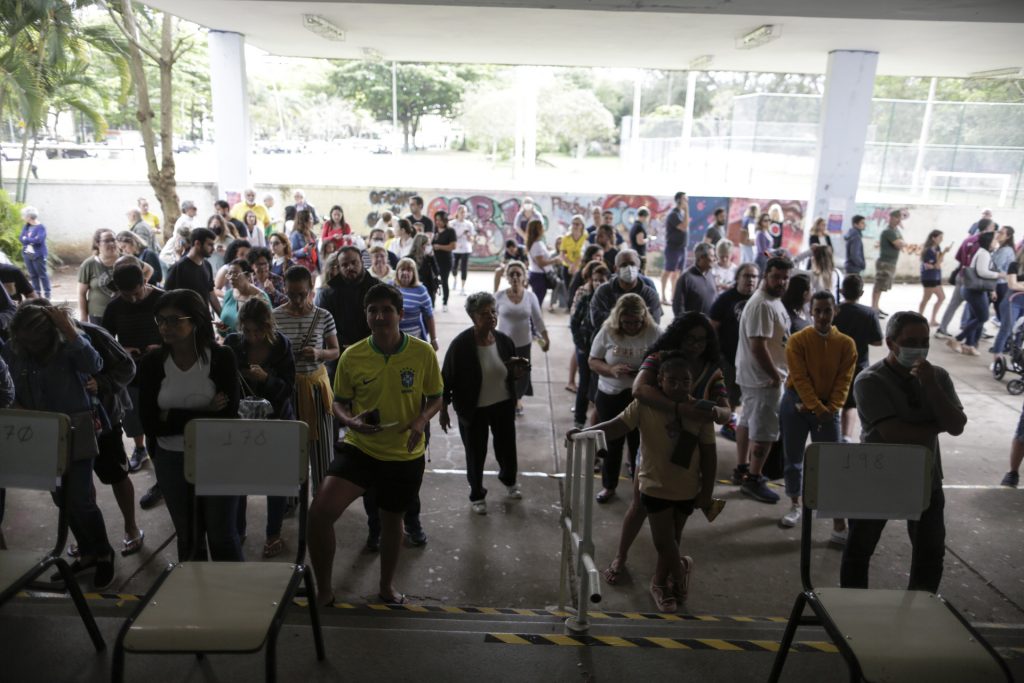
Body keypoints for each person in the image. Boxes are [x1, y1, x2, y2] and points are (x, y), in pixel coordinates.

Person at [309, 283, 443, 605]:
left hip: (404, 454)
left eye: (386, 310)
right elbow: (339, 402)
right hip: (361, 448)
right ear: (365, 315)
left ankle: (386, 587)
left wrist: (421, 420)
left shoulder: (422, 352)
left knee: (392, 521)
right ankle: (324, 590)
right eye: (373, 310)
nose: (380, 316)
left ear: (401, 314)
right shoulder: (353, 355)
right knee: (319, 515)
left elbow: (436, 396)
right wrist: (351, 421)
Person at [573, 351, 718, 613]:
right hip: (654, 485)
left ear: (692, 382)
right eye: (672, 381)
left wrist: (706, 492)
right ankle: (680, 571)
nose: (679, 386)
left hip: (686, 489)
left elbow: (709, 455)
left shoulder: (700, 412)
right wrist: (585, 433)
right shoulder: (645, 406)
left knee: (672, 540)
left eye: (685, 381)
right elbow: (616, 426)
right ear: (659, 380)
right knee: (663, 541)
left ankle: (661, 584)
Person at [842, 311, 966, 593]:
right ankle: (853, 607)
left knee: (930, 554)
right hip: (877, 479)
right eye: (910, 342)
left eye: (925, 342)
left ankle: (920, 607)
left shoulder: (938, 376)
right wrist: (938, 425)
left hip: (924, 479)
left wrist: (931, 385)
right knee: (859, 551)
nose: (919, 349)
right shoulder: (870, 380)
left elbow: (957, 426)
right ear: (891, 343)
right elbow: (894, 433)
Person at [3, 303, 116, 588]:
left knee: (80, 499)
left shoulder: (70, 345)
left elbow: (94, 365)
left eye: (36, 341)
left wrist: (68, 329)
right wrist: (17, 408)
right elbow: (7, 385)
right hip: (38, 433)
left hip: (74, 429)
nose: (31, 347)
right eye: (25, 341)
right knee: (60, 499)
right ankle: (87, 553)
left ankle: (104, 553)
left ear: (51, 334)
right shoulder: (15, 350)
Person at [138, 289, 242, 561]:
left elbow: (226, 417)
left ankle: (233, 588)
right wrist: (204, 411)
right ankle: (194, 587)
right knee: (188, 536)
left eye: (174, 320)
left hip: (218, 455)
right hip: (170, 459)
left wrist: (170, 416)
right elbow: (150, 423)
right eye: (161, 320)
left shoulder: (221, 357)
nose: (165, 327)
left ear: (196, 320)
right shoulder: (152, 363)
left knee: (222, 536)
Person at [223, 298, 297, 558]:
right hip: (241, 423)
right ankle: (239, 529)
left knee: (276, 480)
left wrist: (266, 379)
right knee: (239, 478)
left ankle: (273, 533)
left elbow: (288, 389)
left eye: (258, 331)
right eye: (247, 330)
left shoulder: (281, 345)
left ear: (268, 326)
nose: (253, 337)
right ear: (240, 326)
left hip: (277, 421)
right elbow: (220, 380)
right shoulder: (232, 344)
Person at [440, 291, 526, 514]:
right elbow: (446, 378)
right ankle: (477, 494)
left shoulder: (504, 341)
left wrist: (516, 374)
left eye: (493, 312)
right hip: (473, 409)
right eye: (484, 313)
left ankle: (509, 481)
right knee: (475, 453)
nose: (491, 317)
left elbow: (510, 373)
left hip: (502, 404)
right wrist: (443, 410)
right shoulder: (460, 345)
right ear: (472, 316)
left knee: (507, 448)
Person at [779, 291, 856, 532]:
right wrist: (817, 408)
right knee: (793, 458)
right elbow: (800, 379)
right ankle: (795, 504)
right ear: (810, 312)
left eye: (827, 310)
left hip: (828, 407)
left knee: (831, 462)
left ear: (836, 311)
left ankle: (836, 517)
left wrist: (831, 409)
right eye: (818, 311)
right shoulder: (797, 341)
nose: (822, 316)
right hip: (796, 403)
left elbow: (844, 380)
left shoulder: (846, 344)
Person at [273, 266, 340, 493]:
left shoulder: (324, 316)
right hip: (287, 390)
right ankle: (291, 499)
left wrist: (319, 353)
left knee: (321, 447)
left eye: (302, 294)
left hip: (316, 389)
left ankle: (321, 497)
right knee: (289, 447)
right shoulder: (275, 316)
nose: (297, 300)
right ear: (284, 289)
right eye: (291, 294)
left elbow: (335, 351)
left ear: (311, 288)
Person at [590, 293, 662, 502]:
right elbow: (593, 360)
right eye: (627, 322)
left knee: (640, 442)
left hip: (641, 395)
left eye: (636, 322)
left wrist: (645, 372)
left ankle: (639, 488)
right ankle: (609, 486)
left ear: (644, 318)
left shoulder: (654, 332)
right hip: (611, 393)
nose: (631, 327)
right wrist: (611, 370)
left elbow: (666, 360)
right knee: (612, 443)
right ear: (618, 319)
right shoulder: (608, 331)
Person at [735, 255, 793, 503]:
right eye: (776, 277)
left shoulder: (772, 300)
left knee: (748, 421)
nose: (781, 282)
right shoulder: (762, 305)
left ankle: (743, 468)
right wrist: (775, 376)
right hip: (764, 379)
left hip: (757, 377)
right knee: (764, 430)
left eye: (785, 278)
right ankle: (754, 478)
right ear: (766, 276)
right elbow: (758, 346)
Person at [101, 262, 164, 480]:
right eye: (127, 296)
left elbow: (180, 332)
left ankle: (160, 451)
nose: (134, 300)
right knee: (133, 413)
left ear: (144, 281)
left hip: (161, 368)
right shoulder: (114, 307)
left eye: (137, 293)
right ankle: (139, 448)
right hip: (131, 370)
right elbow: (105, 340)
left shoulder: (163, 300)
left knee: (160, 412)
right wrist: (122, 350)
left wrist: (162, 347)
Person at [709, 263, 759, 448]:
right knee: (729, 392)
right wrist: (716, 353)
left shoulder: (759, 299)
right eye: (746, 275)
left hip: (753, 359)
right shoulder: (726, 299)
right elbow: (713, 326)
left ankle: (740, 421)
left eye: (754, 276)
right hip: (729, 356)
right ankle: (729, 423)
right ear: (738, 277)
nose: (750, 280)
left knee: (747, 394)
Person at [833, 275, 883, 444]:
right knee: (850, 404)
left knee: (832, 401)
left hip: (833, 364)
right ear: (861, 293)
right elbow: (877, 341)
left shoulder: (833, 311)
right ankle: (846, 438)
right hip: (858, 365)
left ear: (841, 291)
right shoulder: (869, 313)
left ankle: (831, 437)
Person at [495, 261, 548, 417]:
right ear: (507, 277)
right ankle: (505, 399)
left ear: (524, 277)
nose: (515, 277)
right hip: (504, 344)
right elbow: (491, 318)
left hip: (524, 343)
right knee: (504, 373)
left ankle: (517, 399)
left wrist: (546, 338)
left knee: (522, 374)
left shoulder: (530, 297)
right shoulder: (499, 296)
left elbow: (538, 319)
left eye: (518, 274)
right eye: (511, 274)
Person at [936, 218, 995, 339]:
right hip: (974, 279)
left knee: (954, 304)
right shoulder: (983, 243)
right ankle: (970, 331)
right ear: (988, 228)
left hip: (962, 274)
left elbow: (958, 257)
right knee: (976, 307)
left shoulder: (968, 240)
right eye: (993, 227)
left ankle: (942, 328)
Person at [570, 262, 611, 428]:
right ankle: (579, 421)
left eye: (601, 280)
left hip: (605, 352)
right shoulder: (586, 298)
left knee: (602, 385)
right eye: (595, 280)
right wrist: (580, 344)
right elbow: (574, 323)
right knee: (584, 383)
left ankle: (601, 421)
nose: (598, 283)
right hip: (586, 349)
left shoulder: (611, 301)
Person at [948, 231, 1001, 356]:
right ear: (989, 241)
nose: (996, 241)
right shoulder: (984, 253)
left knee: (974, 318)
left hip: (974, 290)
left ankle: (969, 345)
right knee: (983, 317)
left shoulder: (984, 252)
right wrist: (999, 275)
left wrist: (991, 289)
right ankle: (957, 339)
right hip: (975, 291)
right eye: (994, 239)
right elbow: (982, 272)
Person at [316, 246, 379, 351]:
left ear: (362, 262)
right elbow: (325, 324)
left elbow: (384, 320)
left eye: (354, 262)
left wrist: (364, 344)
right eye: (344, 265)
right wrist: (344, 345)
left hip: (372, 348)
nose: (350, 267)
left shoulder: (378, 288)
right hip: (339, 350)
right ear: (339, 267)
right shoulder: (328, 294)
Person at [591, 249, 663, 332]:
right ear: (615, 268)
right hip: (610, 338)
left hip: (641, 340)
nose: (629, 268)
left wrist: (617, 318)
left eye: (632, 264)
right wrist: (637, 318)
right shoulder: (603, 291)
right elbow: (597, 320)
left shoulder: (650, 294)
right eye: (624, 265)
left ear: (638, 267)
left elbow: (654, 323)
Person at [164, 227, 222, 316]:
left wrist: (223, 317)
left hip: (204, 319)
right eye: (210, 245)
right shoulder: (178, 268)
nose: (213, 249)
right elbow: (167, 298)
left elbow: (211, 294)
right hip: (186, 321)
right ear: (197, 244)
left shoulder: (207, 265)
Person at [394, 257, 438, 350]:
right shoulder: (390, 287)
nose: (405, 273)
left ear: (414, 274)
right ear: (397, 272)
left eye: (409, 270)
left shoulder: (421, 290)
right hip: (392, 340)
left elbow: (429, 316)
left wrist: (434, 339)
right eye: (402, 269)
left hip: (414, 339)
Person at [78, 228, 120, 324]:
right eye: (107, 241)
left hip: (123, 313)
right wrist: (83, 316)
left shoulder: (126, 260)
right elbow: (81, 293)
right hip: (98, 315)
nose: (111, 243)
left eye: (113, 240)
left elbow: (148, 269)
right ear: (97, 243)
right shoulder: (89, 264)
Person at [218, 259, 271, 334]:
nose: (231, 277)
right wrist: (222, 327)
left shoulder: (260, 298)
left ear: (248, 275)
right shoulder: (229, 294)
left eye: (235, 274)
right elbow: (227, 323)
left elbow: (267, 328)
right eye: (229, 274)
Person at [870, 209, 907, 315]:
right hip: (885, 263)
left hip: (891, 263)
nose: (898, 220)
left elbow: (903, 242)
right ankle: (873, 308)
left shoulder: (896, 231)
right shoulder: (888, 231)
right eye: (896, 217)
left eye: (899, 218)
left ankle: (876, 307)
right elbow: (899, 244)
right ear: (891, 218)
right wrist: (900, 242)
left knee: (882, 286)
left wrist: (901, 242)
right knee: (879, 286)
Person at [991, 246, 1024, 358]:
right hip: (1012, 302)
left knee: (1021, 331)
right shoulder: (1014, 265)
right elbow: (1012, 285)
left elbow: (1016, 284)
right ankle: (997, 357)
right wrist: (1018, 285)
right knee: (1006, 329)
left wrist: (1020, 284)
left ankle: (1016, 356)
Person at [672, 242, 717, 317]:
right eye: (712, 256)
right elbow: (678, 307)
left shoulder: (711, 275)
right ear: (701, 258)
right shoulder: (686, 278)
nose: (714, 259)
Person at [661, 191, 689, 305]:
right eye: (684, 199)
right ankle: (663, 297)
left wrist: (685, 211)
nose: (686, 201)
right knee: (668, 271)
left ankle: (674, 297)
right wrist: (687, 210)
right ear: (678, 200)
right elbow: (684, 227)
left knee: (677, 273)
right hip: (673, 248)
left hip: (682, 248)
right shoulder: (673, 214)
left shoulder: (681, 214)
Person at [918, 230, 947, 327]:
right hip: (929, 277)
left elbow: (939, 262)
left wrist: (943, 254)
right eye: (940, 237)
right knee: (926, 298)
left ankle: (932, 319)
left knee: (941, 297)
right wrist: (943, 255)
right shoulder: (928, 251)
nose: (941, 239)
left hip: (936, 276)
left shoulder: (938, 248)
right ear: (933, 238)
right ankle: (918, 319)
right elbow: (933, 265)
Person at [430, 210, 456, 311]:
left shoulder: (450, 231)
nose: (438, 222)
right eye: (436, 220)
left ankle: (445, 302)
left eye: (440, 220)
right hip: (434, 261)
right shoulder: (434, 231)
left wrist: (439, 246)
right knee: (433, 282)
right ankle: (432, 303)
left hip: (446, 261)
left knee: (444, 281)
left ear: (445, 220)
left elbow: (453, 246)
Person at [450, 205, 476, 295]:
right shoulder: (452, 224)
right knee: (454, 267)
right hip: (455, 249)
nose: (463, 214)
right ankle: (455, 280)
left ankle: (462, 287)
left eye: (464, 212)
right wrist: (461, 233)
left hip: (466, 249)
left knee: (464, 268)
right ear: (457, 212)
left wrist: (469, 237)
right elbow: (450, 237)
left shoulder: (469, 224)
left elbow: (472, 238)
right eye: (461, 212)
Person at [409, 233, 440, 306]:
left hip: (428, 291)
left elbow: (436, 272)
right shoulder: (409, 259)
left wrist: (432, 257)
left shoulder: (429, 258)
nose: (430, 246)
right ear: (421, 245)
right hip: (413, 292)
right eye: (428, 244)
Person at [290, 209, 319, 275]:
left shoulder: (312, 234)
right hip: (303, 269)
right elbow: (292, 254)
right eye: (310, 218)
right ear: (304, 221)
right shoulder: (295, 234)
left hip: (313, 267)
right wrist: (304, 250)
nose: (313, 221)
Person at [629, 208, 650, 273]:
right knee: (640, 273)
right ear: (644, 216)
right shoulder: (639, 227)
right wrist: (648, 239)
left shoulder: (634, 225)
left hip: (634, 252)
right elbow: (640, 242)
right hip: (639, 254)